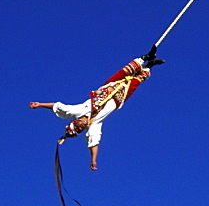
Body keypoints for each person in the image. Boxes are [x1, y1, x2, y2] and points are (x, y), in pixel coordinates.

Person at [29, 46, 164, 170]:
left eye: (77, 127)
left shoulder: (77, 111)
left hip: (107, 88)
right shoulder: (94, 125)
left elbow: (59, 107)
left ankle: (145, 58)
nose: (80, 128)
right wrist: (93, 160)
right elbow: (93, 143)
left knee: (124, 72)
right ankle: (150, 66)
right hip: (119, 98)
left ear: (74, 122)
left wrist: (40, 105)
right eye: (79, 130)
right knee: (137, 81)